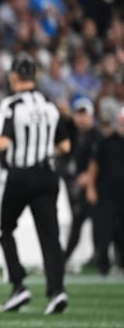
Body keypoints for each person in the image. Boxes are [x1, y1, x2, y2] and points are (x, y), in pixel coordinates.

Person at [0, 52, 71, 315]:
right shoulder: (50, 105)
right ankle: (57, 291)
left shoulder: (10, 106)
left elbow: (3, 142)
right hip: (47, 175)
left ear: (16, 76)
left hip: (19, 176)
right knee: (50, 237)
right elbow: (65, 145)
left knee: (3, 229)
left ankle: (18, 285)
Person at [63, 98, 101, 268]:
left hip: (95, 187)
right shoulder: (76, 134)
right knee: (82, 222)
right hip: (78, 187)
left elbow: (101, 161)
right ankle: (98, 257)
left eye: (83, 114)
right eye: (78, 114)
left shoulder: (96, 136)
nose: (79, 118)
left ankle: (101, 257)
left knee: (101, 223)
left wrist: (89, 176)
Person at [85, 108, 124, 276]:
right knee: (105, 231)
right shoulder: (106, 142)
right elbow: (93, 167)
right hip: (107, 194)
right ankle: (103, 266)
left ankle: (121, 264)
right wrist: (91, 188)